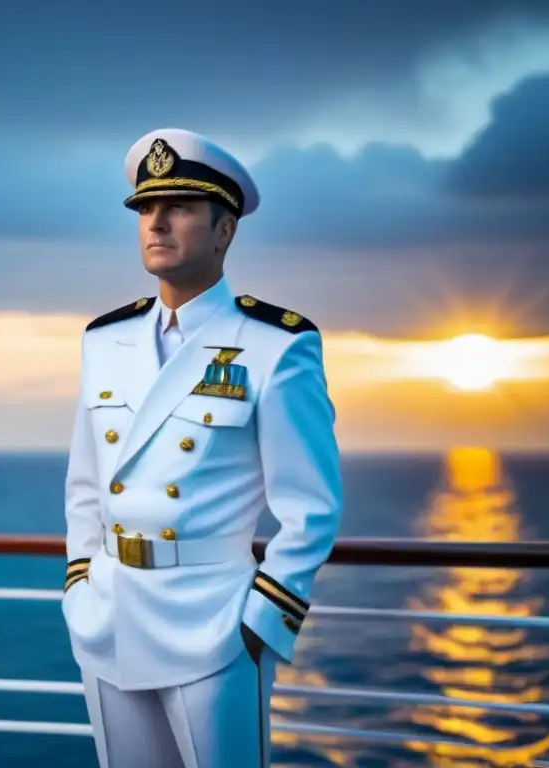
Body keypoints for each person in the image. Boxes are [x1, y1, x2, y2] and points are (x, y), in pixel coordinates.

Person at [61, 127, 343, 767]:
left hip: (213, 622)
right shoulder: (105, 339)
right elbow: (85, 484)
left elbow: (311, 506)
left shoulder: (277, 344)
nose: (156, 223)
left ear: (225, 231)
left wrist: (260, 625)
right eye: (145, 210)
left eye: (179, 208)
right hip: (110, 615)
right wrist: (81, 581)